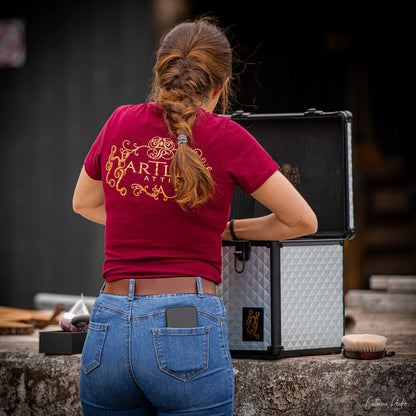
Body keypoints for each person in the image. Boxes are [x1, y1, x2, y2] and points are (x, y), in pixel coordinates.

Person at [73, 17, 317, 416]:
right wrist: (228, 230)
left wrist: (140, 217)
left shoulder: (118, 121)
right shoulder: (227, 136)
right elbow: (302, 221)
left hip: (109, 323)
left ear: (160, 75)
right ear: (220, 88)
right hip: (183, 320)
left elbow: (83, 203)